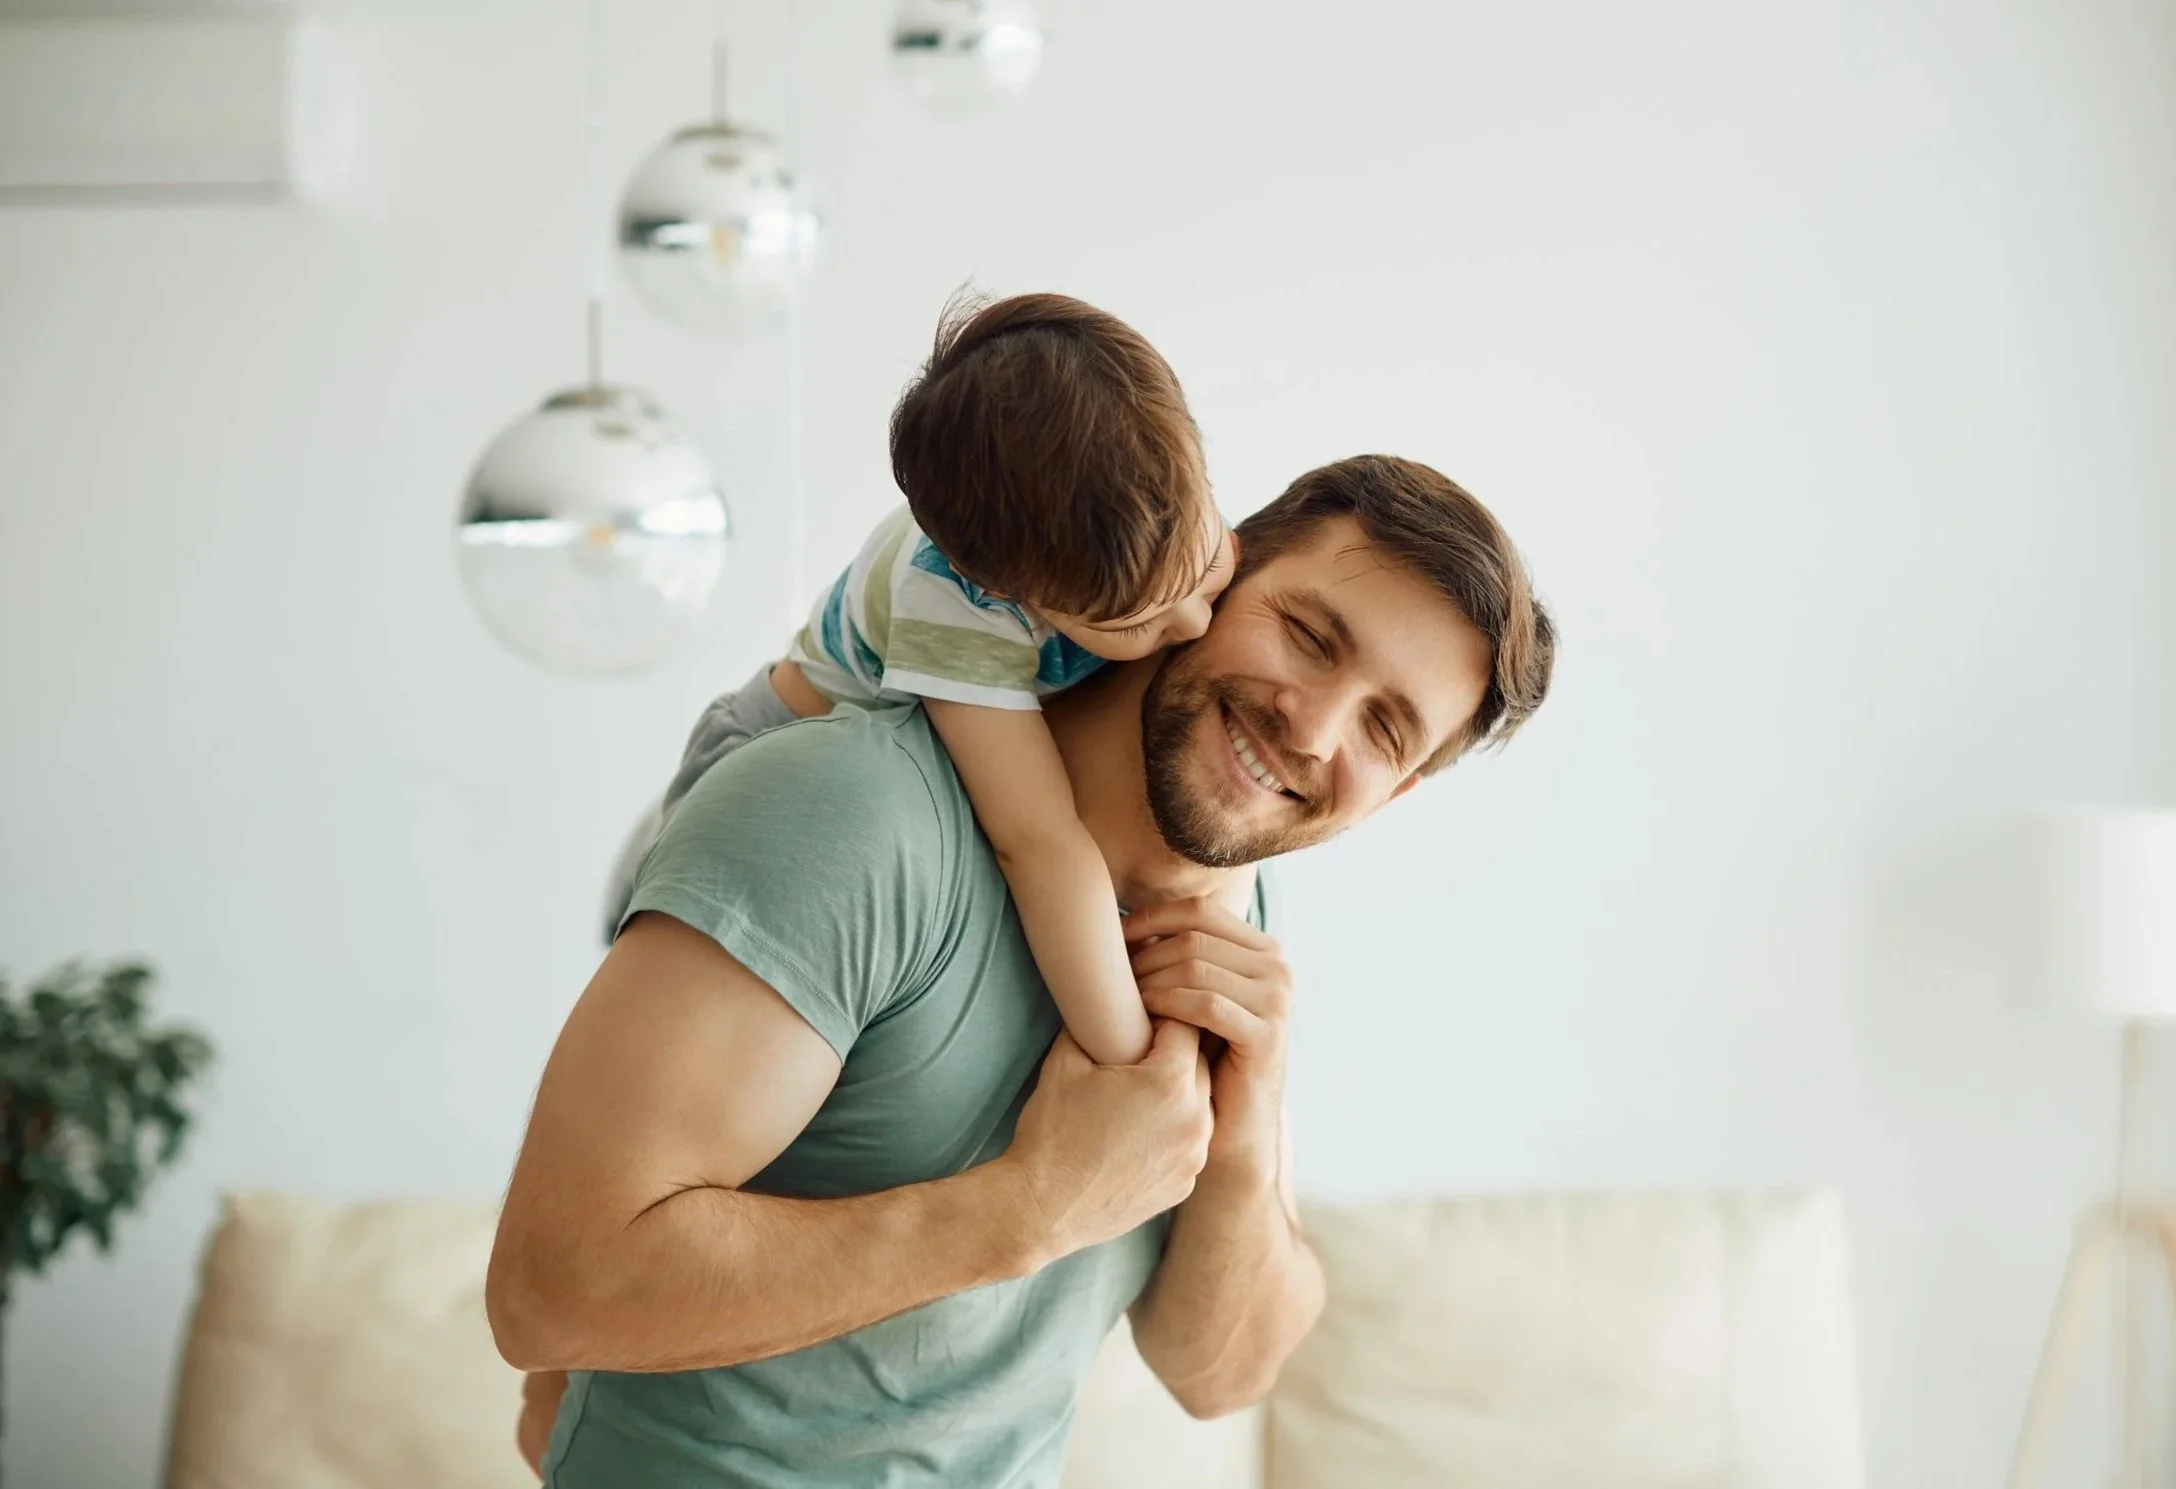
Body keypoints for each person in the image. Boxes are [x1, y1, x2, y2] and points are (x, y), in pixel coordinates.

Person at [488, 454, 1557, 1488]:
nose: (1312, 726)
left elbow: (1219, 1372)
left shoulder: (1237, 924)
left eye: (1382, 727)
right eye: (1309, 636)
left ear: (1398, 791)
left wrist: (1240, 1128)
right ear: (1218, 575)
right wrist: (1029, 1207)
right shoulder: (853, 813)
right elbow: (554, 1287)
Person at [604, 290, 1236, 1066]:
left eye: (1207, 568)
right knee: (680, 1010)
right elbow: (1039, 844)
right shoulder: (955, 603)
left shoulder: (1154, 503)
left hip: (897, 767)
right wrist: (1135, 1062)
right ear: (1014, 595)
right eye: (1136, 624)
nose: (1196, 626)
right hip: (766, 760)